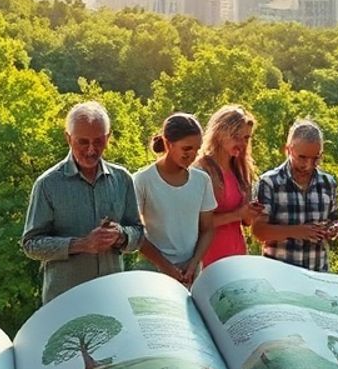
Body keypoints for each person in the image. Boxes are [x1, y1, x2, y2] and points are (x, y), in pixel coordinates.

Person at [21, 101, 144, 303]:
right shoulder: (48, 184)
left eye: (98, 142)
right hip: (65, 299)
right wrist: (82, 244)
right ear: (68, 138)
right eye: (83, 142)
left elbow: (139, 234)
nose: (91, 150)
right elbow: (31, 245)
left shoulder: (122, 179)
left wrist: (121, 235)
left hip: (112, 295)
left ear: (108, 138)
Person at [134, 113, 217, 287]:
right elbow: (136, 234)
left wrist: (193, 263)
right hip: (153, 273)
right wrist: (166, 267)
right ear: (168, 144)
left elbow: (207, 229)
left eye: (197, 149)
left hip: (191, 274)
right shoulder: (142, 180)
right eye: (186, 149)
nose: (193, 155)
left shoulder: (202, 181)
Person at [251, 119, 338, 272]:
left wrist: (334, 228)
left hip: (317, 273)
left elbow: (336, 219)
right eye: (302, 157)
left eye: (316, 158)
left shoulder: (329, 183)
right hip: (279, 274)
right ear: (288, 150)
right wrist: (297, 231)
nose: (308, 164)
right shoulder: (269, 182)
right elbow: (259, 231)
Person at [194, 104, 261, 271]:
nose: (242, 143)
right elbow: (195, 223)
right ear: (220, 133)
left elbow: (246, 222)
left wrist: (251, 211)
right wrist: (237, 214)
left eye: (246, 138)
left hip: (236, 254)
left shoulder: (241, 168)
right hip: (207, 257)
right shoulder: (200, 170)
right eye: (236, 137)